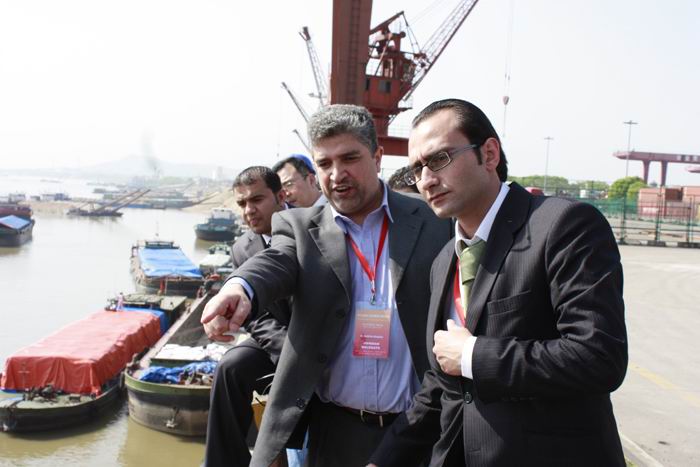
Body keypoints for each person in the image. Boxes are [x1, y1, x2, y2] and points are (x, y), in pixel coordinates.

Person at [369, 99, 628, 466]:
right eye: (417, 169)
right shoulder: (444, 261)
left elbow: (598, 357)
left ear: (489, 154)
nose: (426, 179)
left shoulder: (563, 225)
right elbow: (443, 383)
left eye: (439, 159)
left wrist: (473, 355)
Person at [201, 104, 451, 467]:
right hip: (333, 431)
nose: (337, 174)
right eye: (324, 163)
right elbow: (275, 261)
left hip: (416, 431)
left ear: (377, 157)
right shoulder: (298, 227)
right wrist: (239, 287)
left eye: (349, 158)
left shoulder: (433, 220)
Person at [203, 166, 291, 467]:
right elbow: (254, 315)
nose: (248, 210)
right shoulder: (242, 248)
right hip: (278, 339)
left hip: (317, 336)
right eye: (242, 203)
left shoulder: (310, 229)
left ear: (280, 196)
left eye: (257, 199)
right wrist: (283, 347)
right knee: (231, 366)